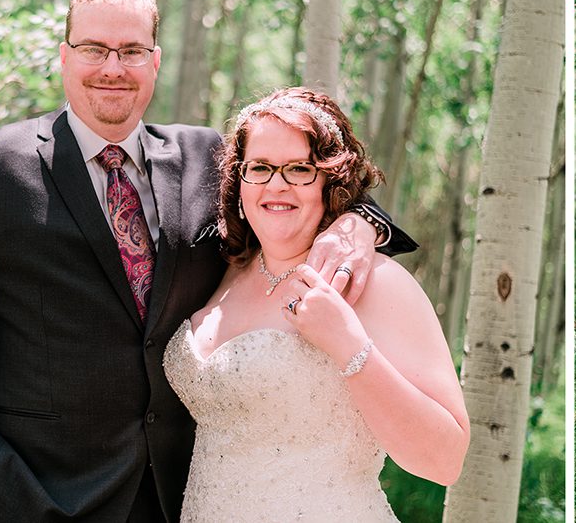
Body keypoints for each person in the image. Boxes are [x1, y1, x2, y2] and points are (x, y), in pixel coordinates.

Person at [0, 0, 415, 522]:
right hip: (35, 500)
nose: (113, 68)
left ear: (156, 60)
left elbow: (298, 192)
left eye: (132, 51)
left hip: (181, 497)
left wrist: (357, 222)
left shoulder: (206, 158)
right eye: (94, 49)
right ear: (65, 56)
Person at [161, 87, 468, 521]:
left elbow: (445, 460)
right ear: (239, 180)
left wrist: (348, 346)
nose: (277, 184)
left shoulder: (375, 282)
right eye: (261, 168)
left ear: (331, 181)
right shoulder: (221, 268)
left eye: (300, 169)